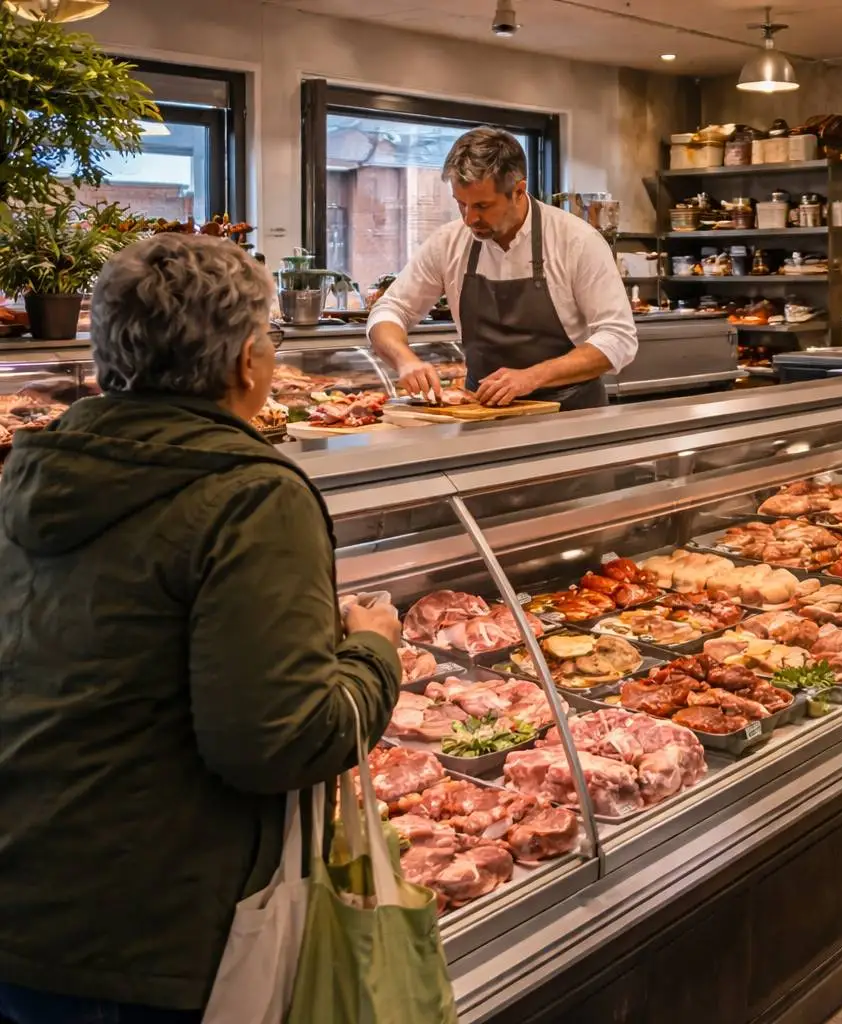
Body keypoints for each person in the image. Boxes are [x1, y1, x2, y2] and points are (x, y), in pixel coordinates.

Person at [0, 234, 402, 1023]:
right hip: (151, 940)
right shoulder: (250, 493)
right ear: (248, 361)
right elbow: (279, 741)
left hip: (23, 898)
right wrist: (373, 651)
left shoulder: (31, 474)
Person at [367, 126, 638, 410]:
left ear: (519, 191)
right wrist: (405, 360)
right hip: (482, 414)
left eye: (483, 206)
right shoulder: (448, 243)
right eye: (461, 204)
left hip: (570, 415)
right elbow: (391, 309)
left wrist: (533, 377)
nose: (470, 218)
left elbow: (618, 338)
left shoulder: (577, 242)